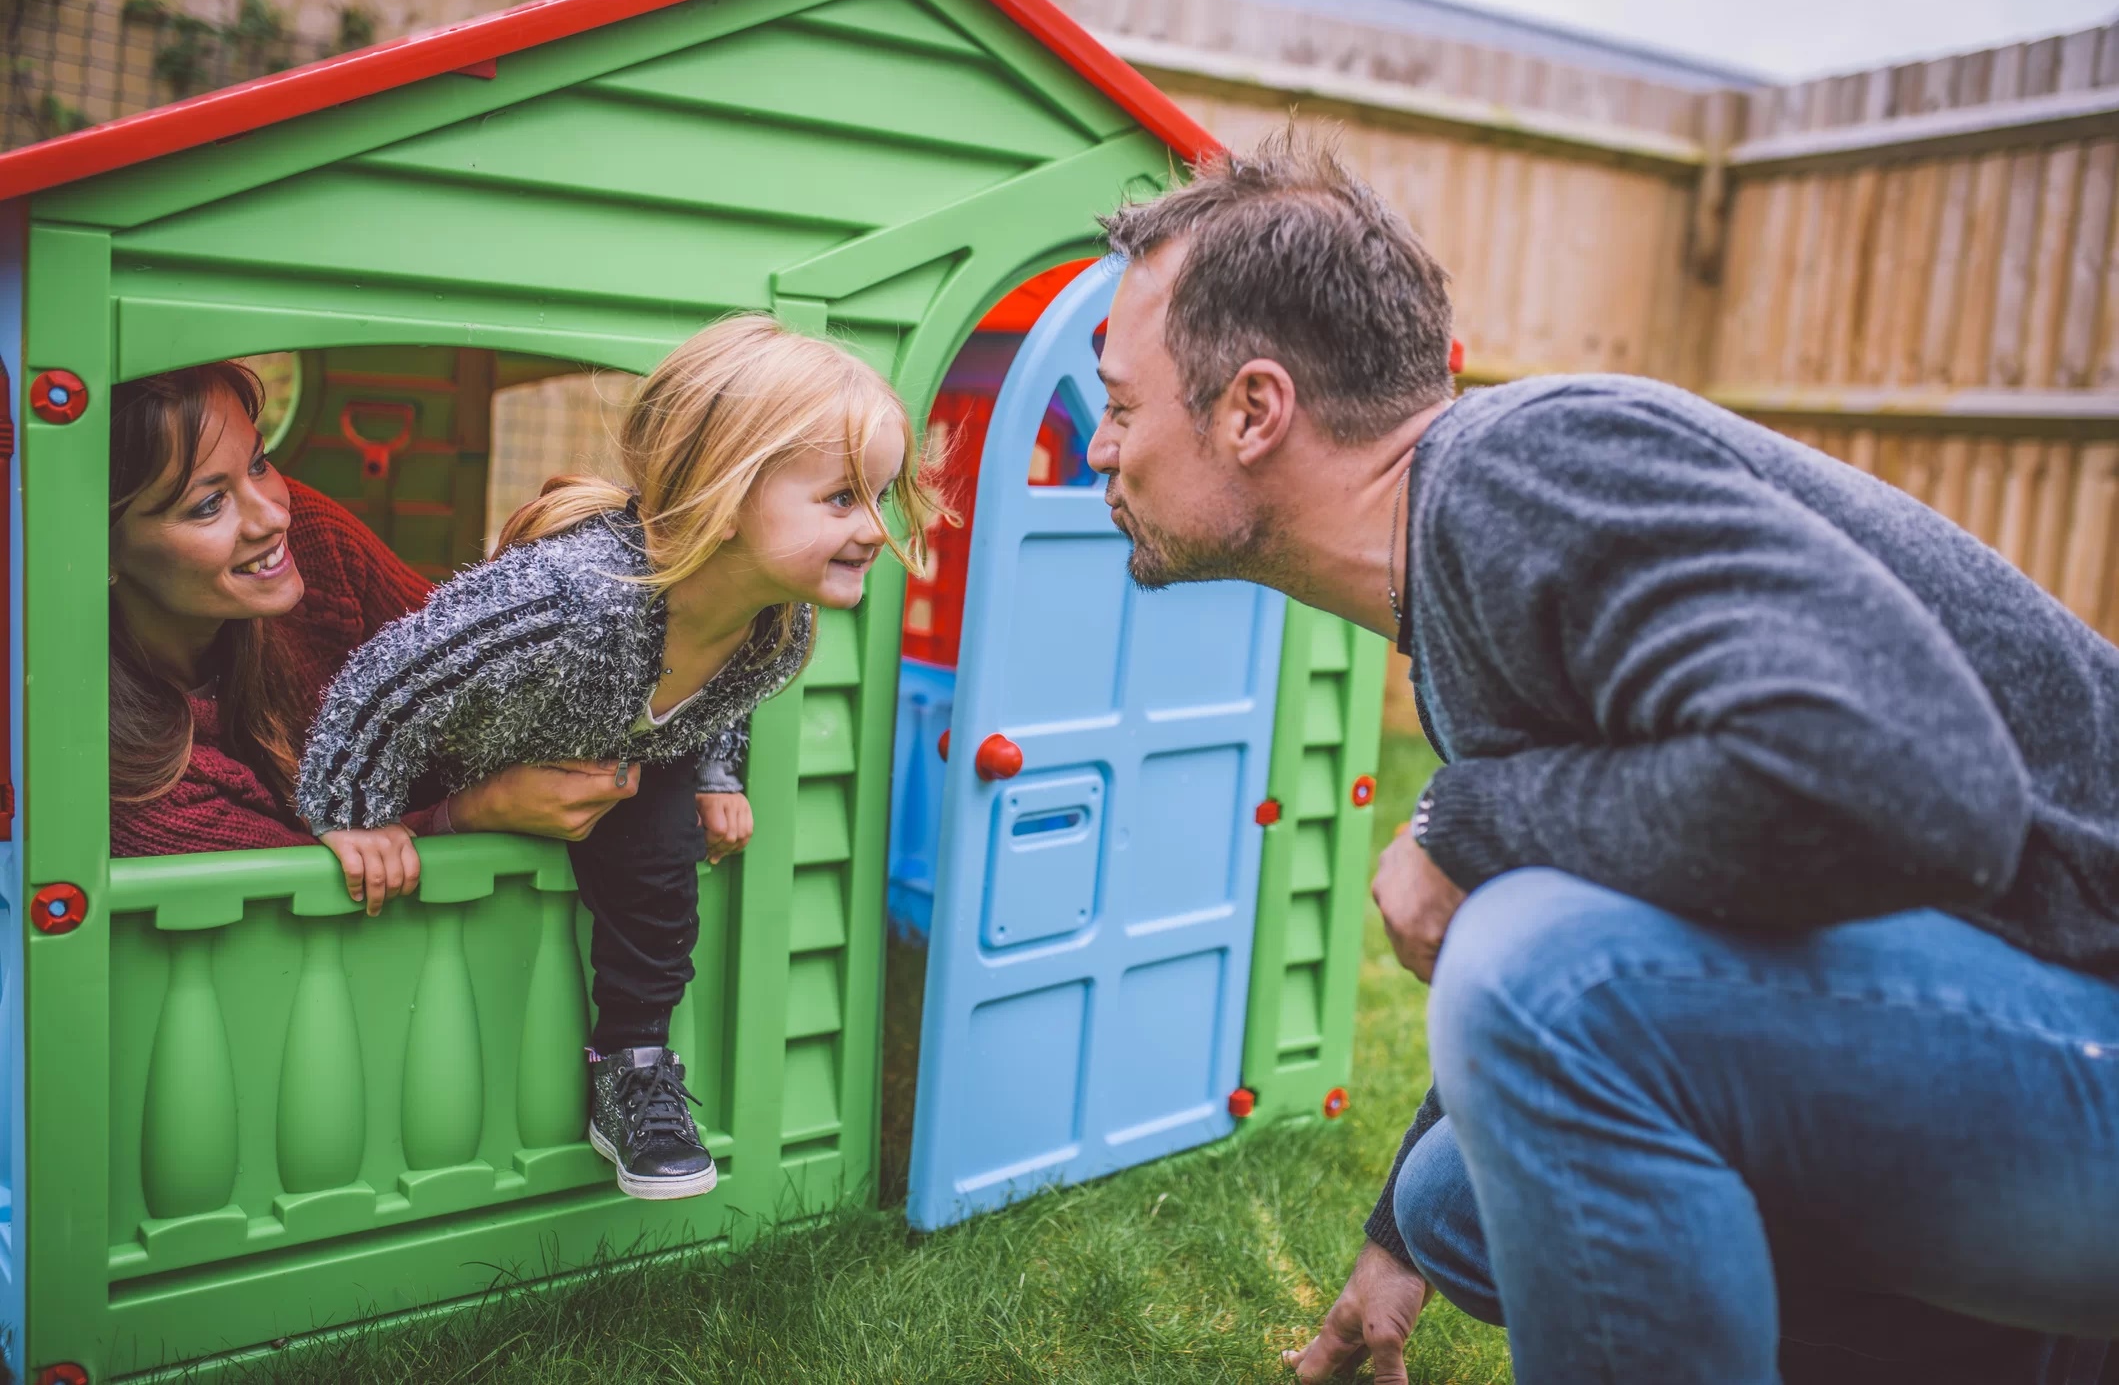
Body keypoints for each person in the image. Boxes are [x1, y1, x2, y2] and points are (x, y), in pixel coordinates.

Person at [1085, 131, 2119, 1384]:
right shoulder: (1473, 553)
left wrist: (1461, 821)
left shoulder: (1519, 469)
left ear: (1254, 408)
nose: (1101, 448)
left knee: (1539, 978)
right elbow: (1660, 871)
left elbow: (1922, 783)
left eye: (1122, 406)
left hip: (2085, 1019)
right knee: (1444, 1200)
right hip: (2033, 1037)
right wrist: (1389, 1250)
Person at [294, 316, 941, 1201]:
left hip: (621, 751)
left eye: (880, 496)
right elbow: (391, 675)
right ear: (721, 491)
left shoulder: (781, 630)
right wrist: (356, 813)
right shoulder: (573, 597)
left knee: (663, 866)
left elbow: (721, 698)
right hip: (462, 754)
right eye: (840, 499)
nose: (874, 527)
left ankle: (634, 1068)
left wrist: (714, 775)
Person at [108, 362, 648, 858]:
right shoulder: (132, 775)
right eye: (208, 504)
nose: (271, 515)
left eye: (258, 463)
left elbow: (469, 665)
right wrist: (468, 816)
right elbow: (295, 888)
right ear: (102, 549)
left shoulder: (311, 544)